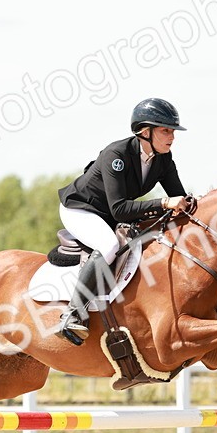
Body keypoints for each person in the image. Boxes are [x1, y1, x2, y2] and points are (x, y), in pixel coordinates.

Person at [54, 97, 196, 345]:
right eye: (165, 130)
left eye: (173, 131)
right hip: (81, 209)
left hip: (109, 212)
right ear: (145, 131)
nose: (172, 136)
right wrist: (162, 203)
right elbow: (120, 209)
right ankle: (73, 313)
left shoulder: (163, 159)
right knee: (109, 246)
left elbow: (178, 197)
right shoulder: (116, 154)